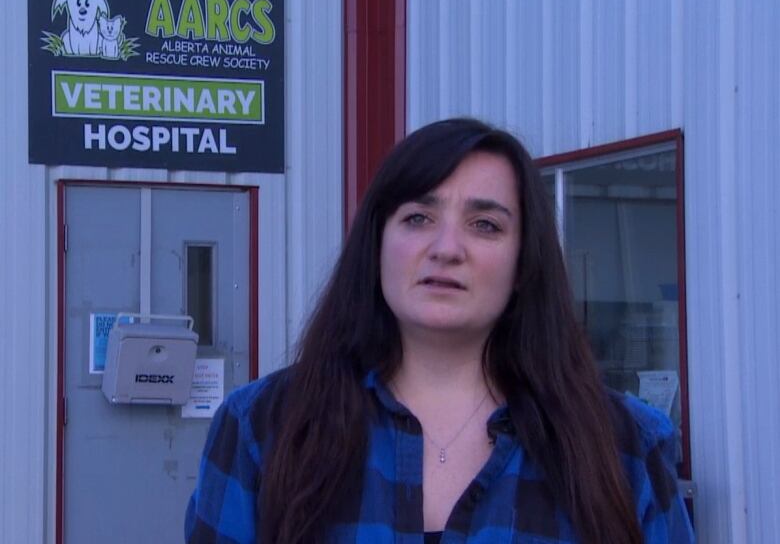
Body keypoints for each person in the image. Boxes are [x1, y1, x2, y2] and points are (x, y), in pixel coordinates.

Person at [185, 118, 695, 543]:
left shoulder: (623, 445)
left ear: (523, 265)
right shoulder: (263, 427)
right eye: (418, 218)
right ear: (377, 245)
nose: (447, 248)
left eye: (485, 225)